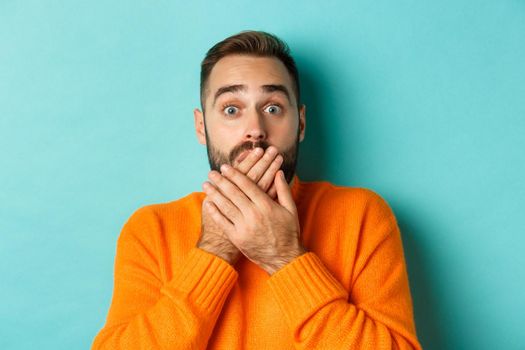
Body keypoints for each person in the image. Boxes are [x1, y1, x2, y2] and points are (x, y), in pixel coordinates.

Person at [92, 30, 422, 349]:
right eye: (232, 109)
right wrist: (214, 250)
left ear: (301, 124)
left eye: (272, 108)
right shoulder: (152, 229)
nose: (255, 131)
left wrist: (286, 259)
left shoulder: (362, 216)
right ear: (201, 126)